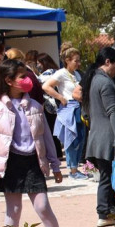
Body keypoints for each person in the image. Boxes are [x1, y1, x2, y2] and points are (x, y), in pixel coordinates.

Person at [0, 59, 68, 227]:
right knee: (13, 209)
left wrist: (55, 164)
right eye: (22, 77)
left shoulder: (35, 106)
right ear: (9, 80)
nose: (27, 80)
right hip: (10, 162)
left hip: (33, 162)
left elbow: (46, 136)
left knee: (43, 206)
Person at [82, 46, 115, 227]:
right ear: (107, 62)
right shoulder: (105, 82)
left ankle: (106, 211)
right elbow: (112, 111)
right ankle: (104, 212)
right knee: (111, 176)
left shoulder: (94, 80)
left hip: (97, 136)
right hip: (108, 138)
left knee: (106, 176)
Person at [42, 46, 89, 179]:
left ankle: (75, 168)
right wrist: (60, 97)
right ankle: (72, 170)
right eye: (76, 61)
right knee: (71, 139)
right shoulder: (61, 73)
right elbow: (46, 86)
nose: (78, 63)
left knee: (80, 138)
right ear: (67, 60)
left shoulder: (77, 74)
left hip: (79, 108)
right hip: (69, 108)